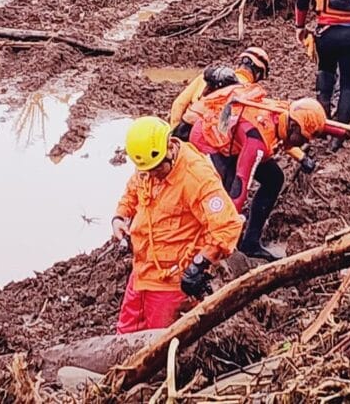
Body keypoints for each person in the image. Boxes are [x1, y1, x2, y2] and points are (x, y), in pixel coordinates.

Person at [111, 116, 242, 333]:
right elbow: (134, 189)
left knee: (160, 346)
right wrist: (120, 216)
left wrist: (199, 265)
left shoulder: (196, 176)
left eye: (157, 169)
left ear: (170, 146)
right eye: (147, 171)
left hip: (170, 281)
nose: (152, 175)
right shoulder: (148, 165)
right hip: (142, 272)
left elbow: (227, 226)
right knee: (124, 336)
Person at [190, 95, 326, 261]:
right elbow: (242, 185)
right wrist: (230, 227)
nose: (303, 144)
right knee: (225, 190)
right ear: (293, 126)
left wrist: (344, 132)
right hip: (210, 139)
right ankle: (211, 247)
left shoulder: (285, 110)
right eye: (303, 139)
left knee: (274, 179)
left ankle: (250, 243)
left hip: (236, 140)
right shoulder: (257, 142)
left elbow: (311, 129)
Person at [169, 47, 270, 138]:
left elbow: (179, 104)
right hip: (210, 142)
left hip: (185, 129)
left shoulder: (207, 78)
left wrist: (174, 136)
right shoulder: (250, 94)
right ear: (258, 75)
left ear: (240, 64)